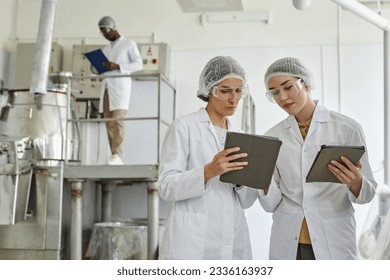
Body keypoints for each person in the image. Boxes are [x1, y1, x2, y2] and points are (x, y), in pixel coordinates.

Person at [257, 57, 377, 260]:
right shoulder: (272, 138)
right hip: (288, 241)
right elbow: (270, 204)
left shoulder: (347, 128)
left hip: (334, 238)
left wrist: (356, 182)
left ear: (306, 83)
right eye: (275, 92)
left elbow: (367, 194)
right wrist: (261, 179)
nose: (283, 97)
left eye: (288, 87)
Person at [157, 56, 257, 259]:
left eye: (238, 90)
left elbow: (246, 201)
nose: (234, 98)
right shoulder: (184, 126)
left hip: (233, 237)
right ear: (209, 90)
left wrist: (241, 183)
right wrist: (208, 171)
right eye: (225, 91)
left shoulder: (241, 136)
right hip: (191, 241)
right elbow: (165, 186)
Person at [97, 16, 143, 165]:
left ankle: (117, 154)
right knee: (108, 121)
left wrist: (117, 67)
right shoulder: (105, 48)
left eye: (106, 32)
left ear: (113, 28)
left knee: (118, 120)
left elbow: (138, 64)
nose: (105, 35)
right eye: (102, 33)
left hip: (120, 87)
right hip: (107, 87)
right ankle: (113, 155)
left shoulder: (129, 44)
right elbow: (104, 69)